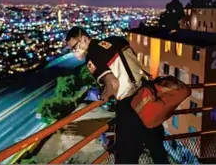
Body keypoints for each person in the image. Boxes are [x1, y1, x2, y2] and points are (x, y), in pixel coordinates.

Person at [65, 26, 169, 164]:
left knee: (126, 157)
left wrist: (103, 96)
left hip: (129, 105)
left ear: (84, 39)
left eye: (74, 47)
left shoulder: (92, 56)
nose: (74, 52)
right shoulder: (116, 40)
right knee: (157, 151)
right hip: (148, 96)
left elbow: (113, 84)